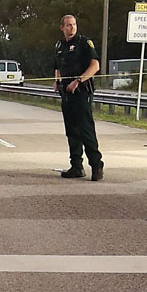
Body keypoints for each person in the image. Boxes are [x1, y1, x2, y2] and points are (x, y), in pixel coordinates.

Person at [53, 15, 103, 181]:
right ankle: (76, 166)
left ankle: (96, 165)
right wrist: (57, 81)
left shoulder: (83, 42)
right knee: (71, 131)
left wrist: (78, 80)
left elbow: (95, 66)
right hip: (66, 94)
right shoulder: (59, 45)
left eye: (74, 25)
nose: (71, 28)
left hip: (81, 92)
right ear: (62, 28)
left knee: (85, 130)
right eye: (68, 25)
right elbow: (57, 66)